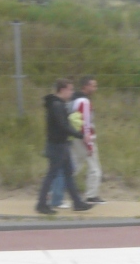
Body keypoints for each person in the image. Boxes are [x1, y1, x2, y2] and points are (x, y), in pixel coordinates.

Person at [35, 78, 92, 215]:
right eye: (70, 89)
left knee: (68, 174)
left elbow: (64, 125)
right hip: (57, 145)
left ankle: (77, 203)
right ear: (63, 90)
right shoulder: (56, 105)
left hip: (62, 144)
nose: (72, 92)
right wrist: (81, 135)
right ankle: (41, 204)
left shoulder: (58, 104)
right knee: (52, 174)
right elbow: (63, 126)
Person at [49, 76, 103, 208]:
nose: (95, 88)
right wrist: (88, 141)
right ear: (86, 86)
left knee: (73, 167)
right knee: (94, 169)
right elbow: (85, 123)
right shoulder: (84, 102)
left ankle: (54, 191)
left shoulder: (75, 101)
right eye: (93, 85)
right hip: (84, 138)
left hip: (76, 138)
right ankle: (91, 195)